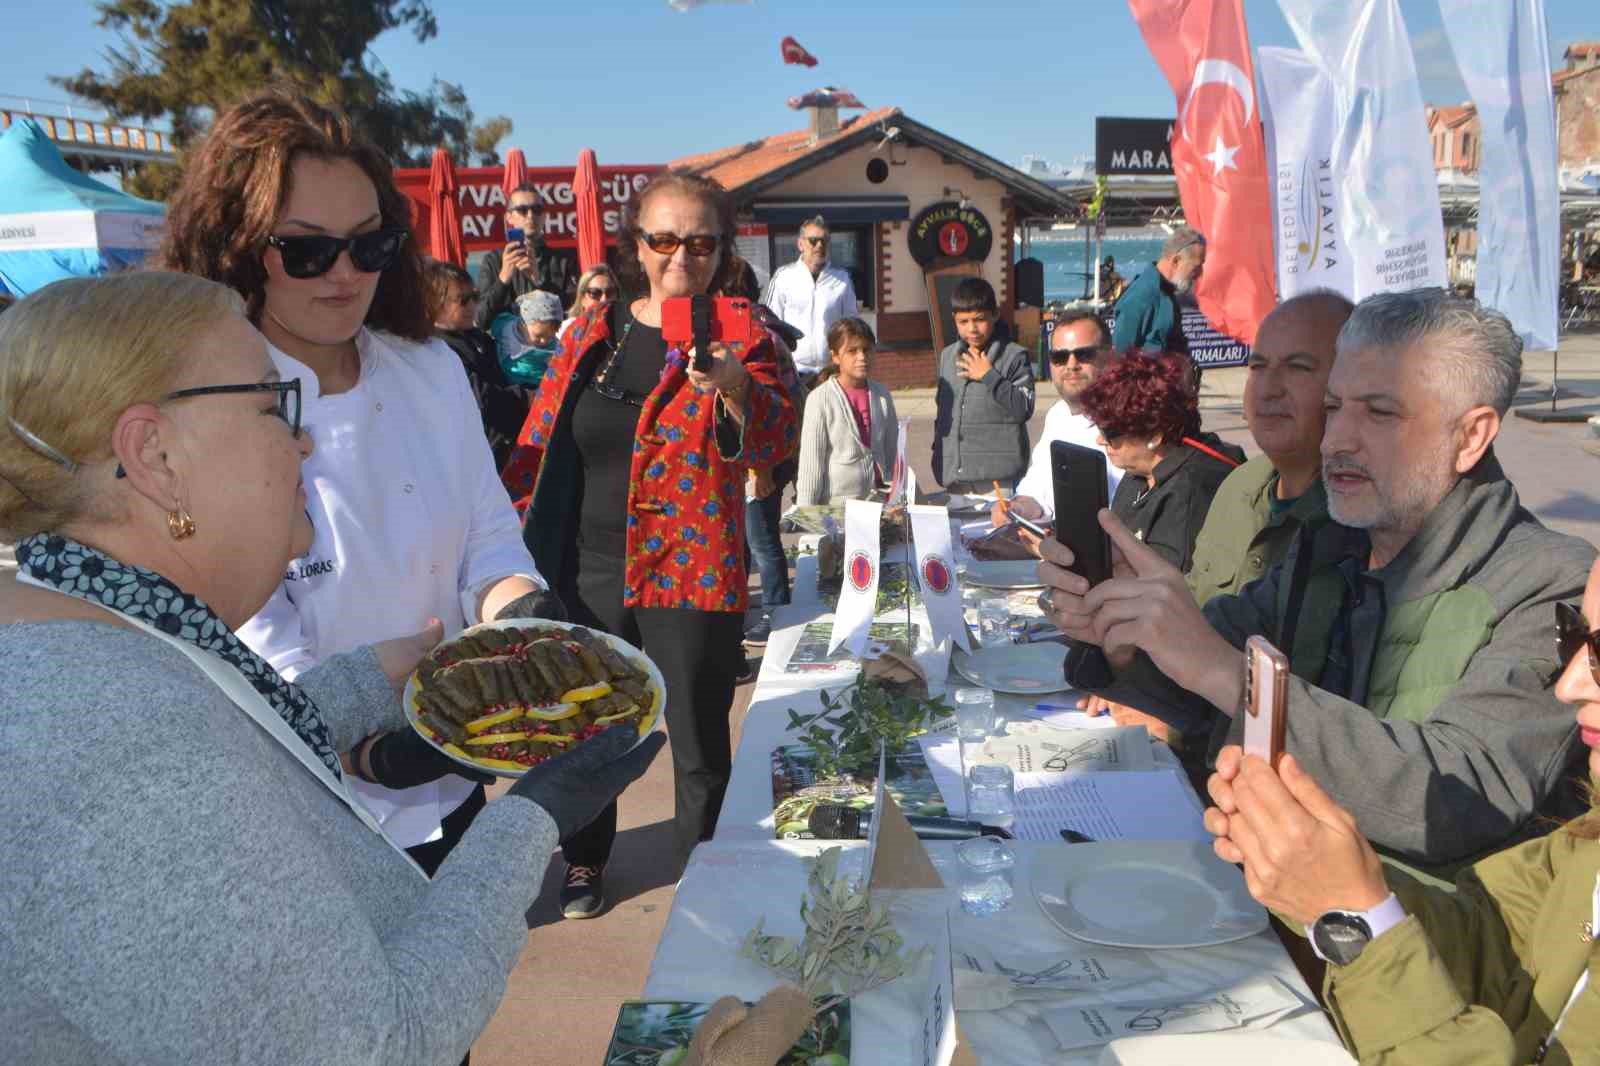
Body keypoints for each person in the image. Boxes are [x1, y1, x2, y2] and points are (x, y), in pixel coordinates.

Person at [0, 272, 665, 1063]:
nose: (305, 440)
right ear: (154, 455)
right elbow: (377, 1046)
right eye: (275, 405)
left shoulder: (87, 627)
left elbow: (219, 740)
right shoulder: (121, 755)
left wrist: (363, 687)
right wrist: (532, 820)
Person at [1037, 289, 1596, 881]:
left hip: (1409, 950)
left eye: (1379, 413)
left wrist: (1229, 675)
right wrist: (1127, 628)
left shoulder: (1548, 583)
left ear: (1470, 437)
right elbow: (1197, 675)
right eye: (1333, 409)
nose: (1337, 441)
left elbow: (1460, 794)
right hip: (1267, 901)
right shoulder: (1330, 542)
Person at [161, 88, 552, 874]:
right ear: (236, 245)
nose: (345, 275)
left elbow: (486, 535)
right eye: (307, 250)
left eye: (368, 246)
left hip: (454, 765)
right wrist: (376, 750)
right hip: (311, 806)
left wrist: (527, 617)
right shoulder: (210, 404)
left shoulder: (430, 368)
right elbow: (250, 634)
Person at [500, 170, 796, 917]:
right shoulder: (594, 331)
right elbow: (540, 435)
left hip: (691, 569)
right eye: (663, 239)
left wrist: (731, 386)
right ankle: (585, 861)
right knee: (589, 730)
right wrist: (502, 538)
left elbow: (774, 438)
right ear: (638, 245)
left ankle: (708, 878)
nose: (681, 257)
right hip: (586, 565)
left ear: (720, 250)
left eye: (700, 242)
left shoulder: (746, 333)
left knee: (699, 746)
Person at [1201, 556, 1600, 1064]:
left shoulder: (1526, 576)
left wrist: (1356, 924)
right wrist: (1311, 868)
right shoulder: (1584, 843)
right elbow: (1488, 943)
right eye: (1573, 638)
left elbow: (1462, 789)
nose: (1568, 685)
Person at [1185, 289, 1352, 608]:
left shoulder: (1363, 515)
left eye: (1297, 367)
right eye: (1258, 366)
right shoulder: (1238, 487)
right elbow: (1193, 610)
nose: (1269, 388)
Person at [1074, 352, 1243, 573]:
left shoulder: (1192, 489)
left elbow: (1165, 586)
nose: (1100, 440)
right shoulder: (1139, 470)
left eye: (1110, 433)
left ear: (1155, 436)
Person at [992, 309, 1122, 530]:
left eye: (1084, 354)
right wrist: (1017, 508)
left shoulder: (1130, 420)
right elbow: (1038, 491)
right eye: (1060, 357)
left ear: (1110, 357)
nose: (1071, 365)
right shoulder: (1058, 415)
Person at [423, 257, 529, 470]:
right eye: (463, 300)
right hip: (476, 460)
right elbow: (479, 398)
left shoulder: (478, 338)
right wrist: (528, 397)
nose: (472, 305)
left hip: (505, 447)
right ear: (435, 302)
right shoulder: (435, 350)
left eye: (474, 296)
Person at [932, 277, 1035, 493]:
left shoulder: (1014, 356)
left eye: (979, 319)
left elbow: (1023, 409)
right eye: (964, 321)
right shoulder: (947, 356)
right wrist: (939, 456)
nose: (972, 329)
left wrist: (989, 375)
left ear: (995, 314)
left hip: (999, 482)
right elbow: (943, 414)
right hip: (954, 480)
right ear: (954, 320)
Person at [795, 317, 898, 506]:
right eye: (852, 351)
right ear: (835, 356)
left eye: (867, 350)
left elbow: (892, 455)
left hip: (879, 506)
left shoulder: (882, 395)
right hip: (838, 508)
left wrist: (896, 498)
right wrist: (806, 514)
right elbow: (811, 465)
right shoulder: (820, 399)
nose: (862, 357)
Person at [760, 214, 858, 383]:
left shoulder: (842, 280)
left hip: (831, 373)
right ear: (800, 244)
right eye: (813, 240)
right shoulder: (783, 278)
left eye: (824, 241)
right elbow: (770, 326)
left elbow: (852, 326)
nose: (820, 245)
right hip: (794, 372)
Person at [474, 184, 578, 328]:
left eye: (537, 210)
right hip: (507, 348)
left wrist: (539, 283)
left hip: (550, 347)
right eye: (522, 210)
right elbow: (480, 320)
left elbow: (571, 316)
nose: (530, 216)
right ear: (509, 217)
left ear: (544, 216)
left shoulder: (563, 261)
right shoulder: (493, 261)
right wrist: (503, 280)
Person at [1111, 226, 1205, 356]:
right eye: (1197, 267)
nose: (1200, 273)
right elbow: (1120, 358)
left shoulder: (1167, 292)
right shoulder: (1141, 298)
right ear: (1176, 261)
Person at [492, 290, 563, 388]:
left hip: (535, 386)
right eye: (538, 336)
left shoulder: (553, 348)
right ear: (523, 324)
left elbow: (560, 368)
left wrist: (555, 365)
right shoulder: (505, 326)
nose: (544, 341)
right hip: (504, 380)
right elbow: (494, 325)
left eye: (551, 336)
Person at [559, 264, 620, 340]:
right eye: (595, 293)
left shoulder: (624, 329)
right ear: (582, 298)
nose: (604, 299)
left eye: (610, 292)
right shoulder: (567, 330)